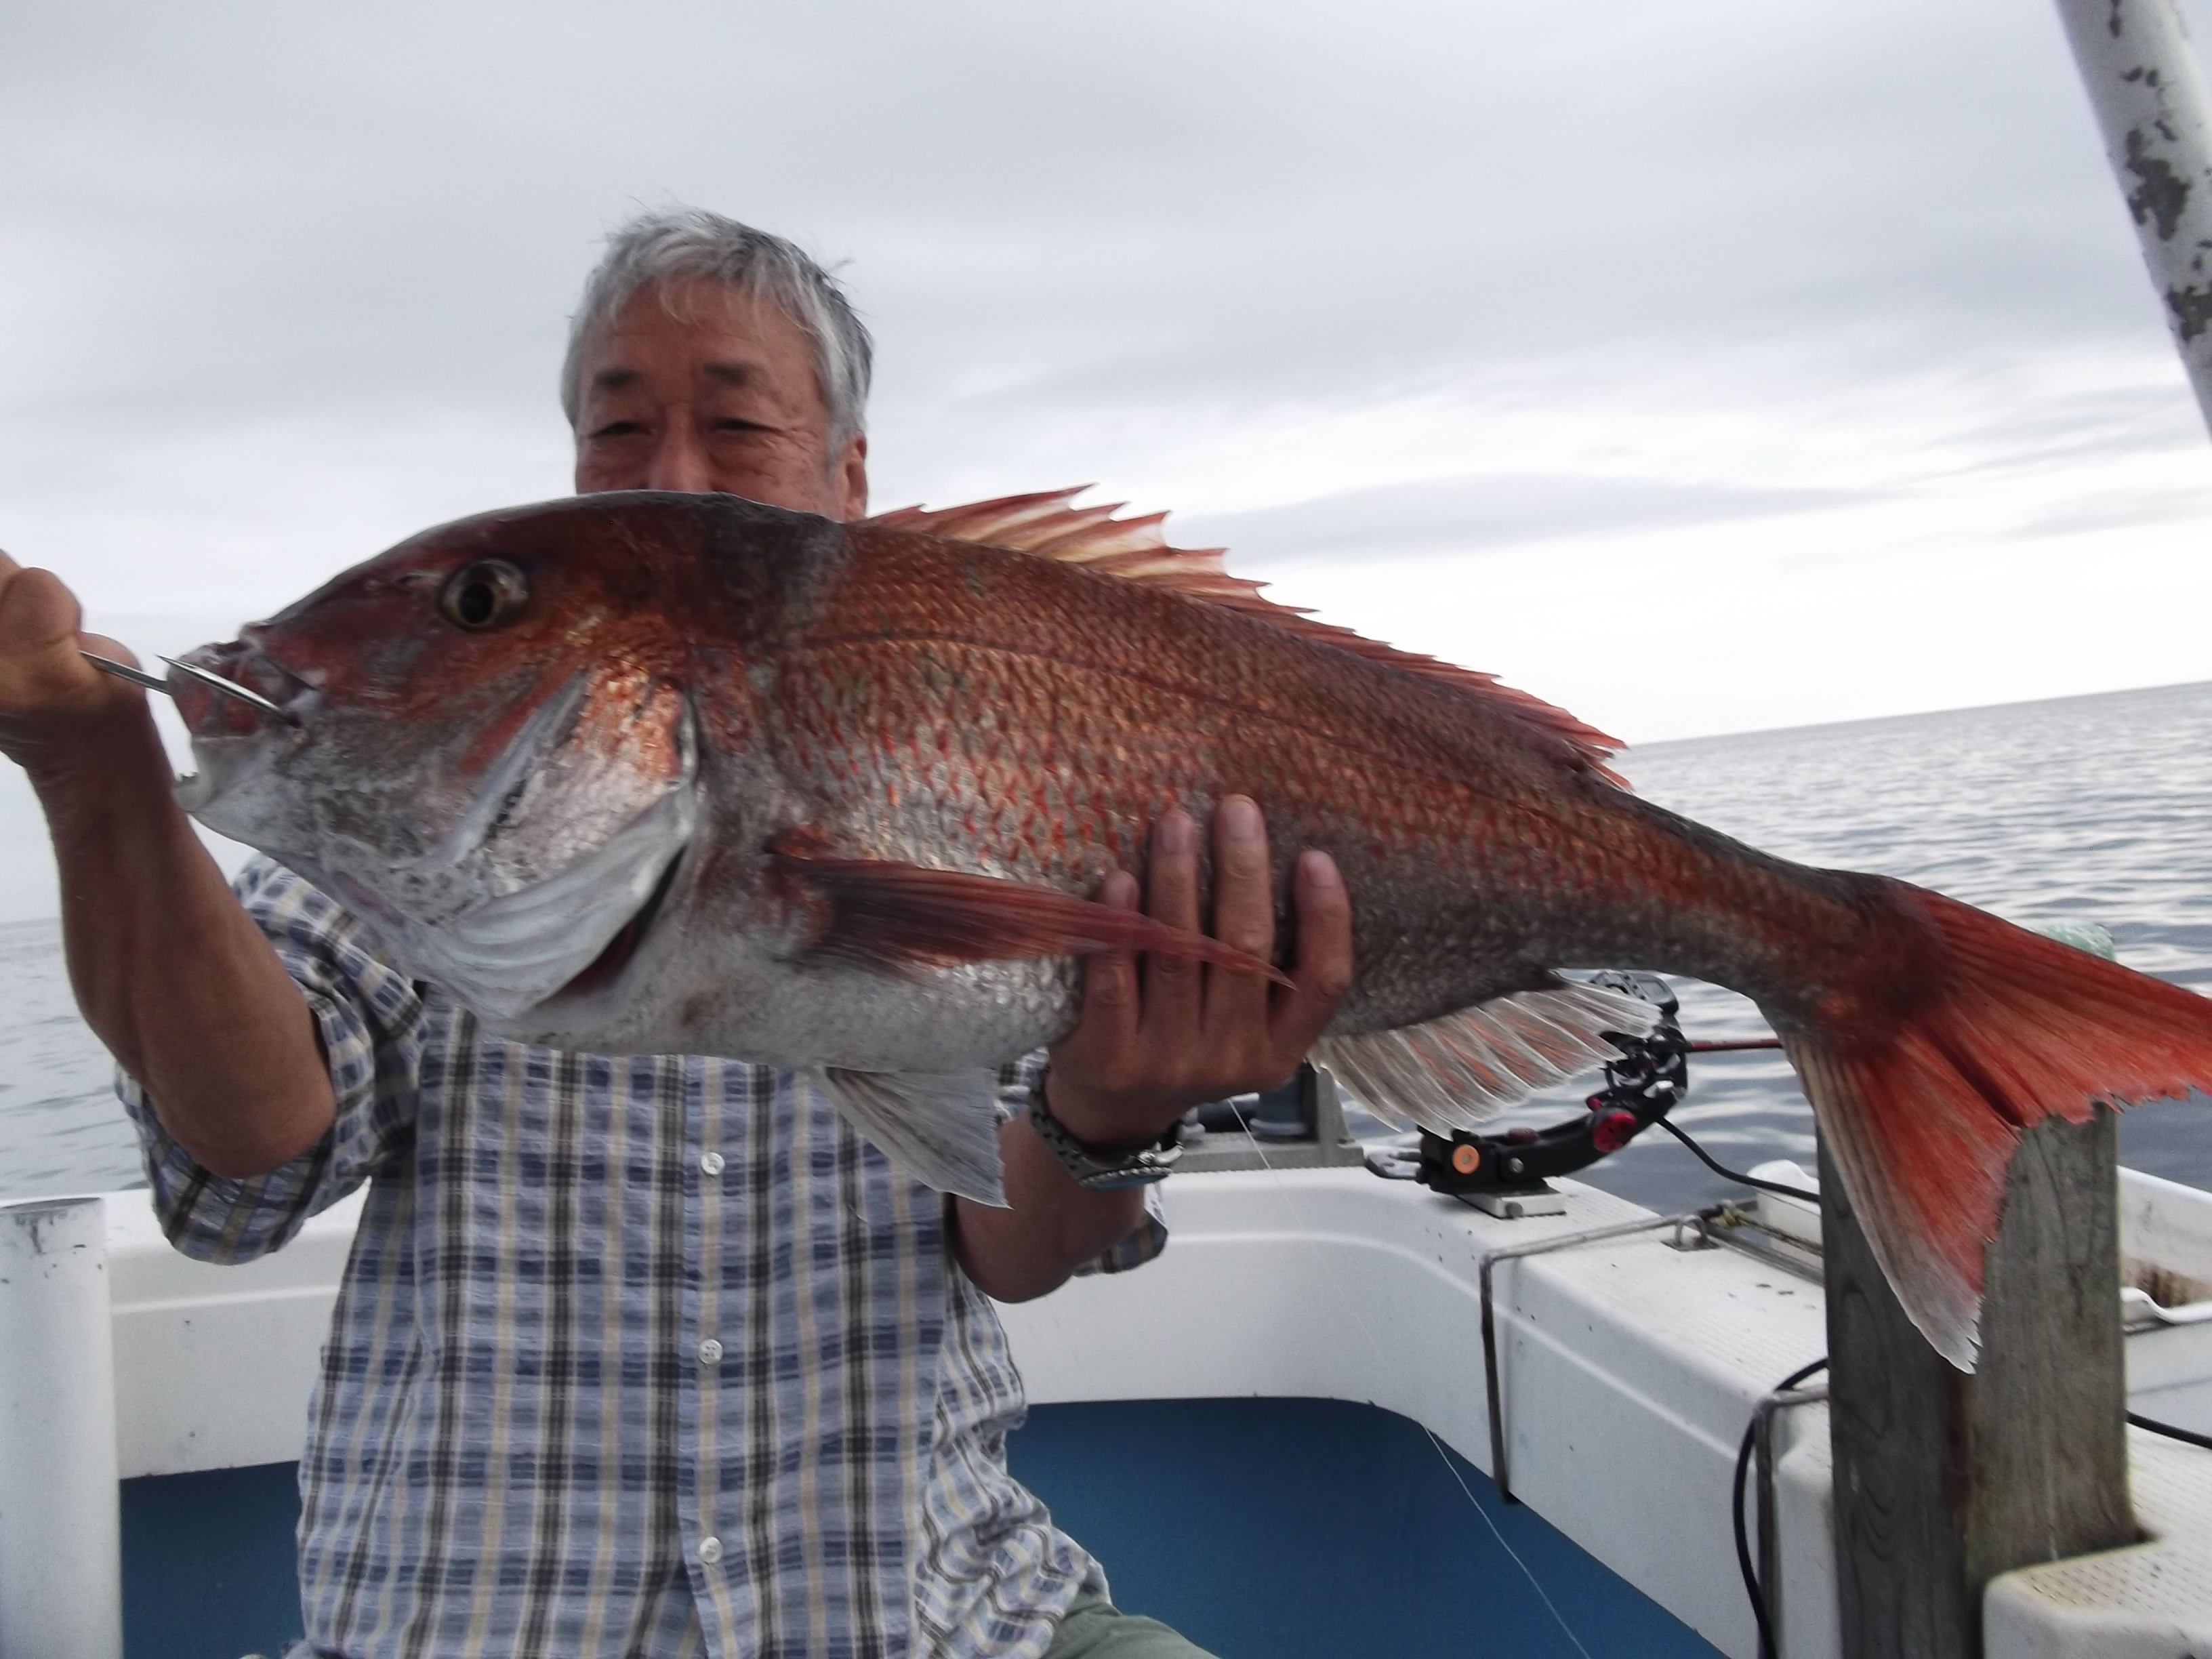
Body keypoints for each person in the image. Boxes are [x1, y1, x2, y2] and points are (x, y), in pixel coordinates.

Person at [0, 207, 1354, 1657]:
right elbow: (250, 1144)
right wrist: (98, 777)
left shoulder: (1004, 728)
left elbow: (1015, 1254)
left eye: (737, 426)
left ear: (848, 475)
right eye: (618, 432)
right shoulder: (434, 807)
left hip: (935, 1613)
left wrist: (1117, 1104)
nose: (672, 473)